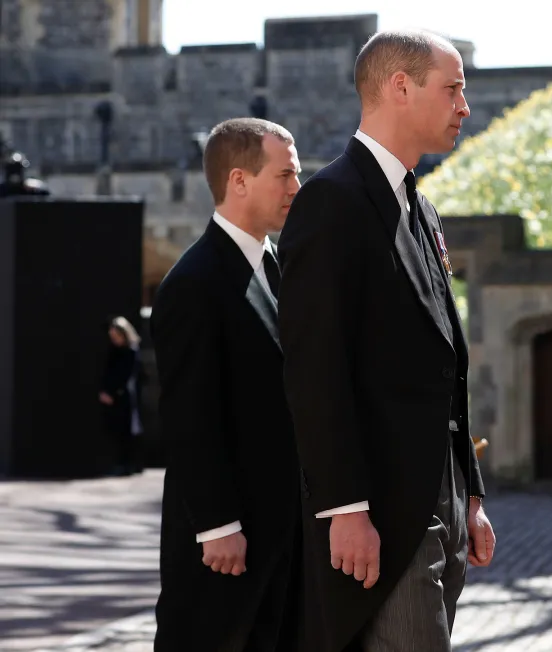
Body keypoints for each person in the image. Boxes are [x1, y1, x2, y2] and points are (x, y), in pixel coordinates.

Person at [277, 28, 496, 652]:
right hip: (380, 506)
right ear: (400, 87)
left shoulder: (419, 207)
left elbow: (443, 360)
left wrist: (470, 495)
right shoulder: (330, 201)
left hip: (440, 498)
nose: (465, 106)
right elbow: (315, 369)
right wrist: (344, 508)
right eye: (452, 89)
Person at [151, 117, 303, 651]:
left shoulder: (273, 264)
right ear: (239, 180)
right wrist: (217, 526)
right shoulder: (193, 283)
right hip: (226, 543)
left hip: (281, 532)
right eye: (284, 175)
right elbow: (190, 415)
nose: (295, 188)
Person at [99, 315, 143, 475]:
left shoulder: (131, 351)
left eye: (117, 336)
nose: (114, 340)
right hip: (112, 396)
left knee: (128, 431)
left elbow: (126, 376)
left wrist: (113, 393)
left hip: (124, 397)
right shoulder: (114, 351)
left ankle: (129, 464)